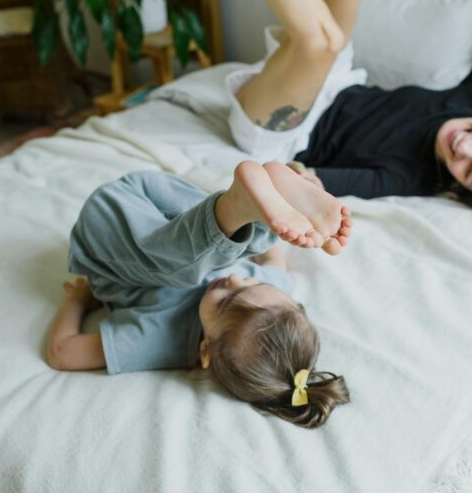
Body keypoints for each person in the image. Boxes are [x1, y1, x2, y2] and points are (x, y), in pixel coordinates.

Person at [45, 160, 352, 428]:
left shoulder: (160, 341)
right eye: (253, 283)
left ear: (205, 350)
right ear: (290, 303)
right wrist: (287, 225)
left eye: (226, 297)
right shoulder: (273, 295)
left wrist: (78, 300)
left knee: (183, 273)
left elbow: (63, 353)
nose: (235, 279)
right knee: (236, 249)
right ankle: (260, 203)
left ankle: (239, 208)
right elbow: (275, 263)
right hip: (167, 200)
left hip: (108, 227)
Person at [226, 0, 472, 209]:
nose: (465, 148)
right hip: (338, 78)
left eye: (469, 171)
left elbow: (304, 178)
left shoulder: (409, 177)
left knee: (322, 42)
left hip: (285, 129)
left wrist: (303, 188)